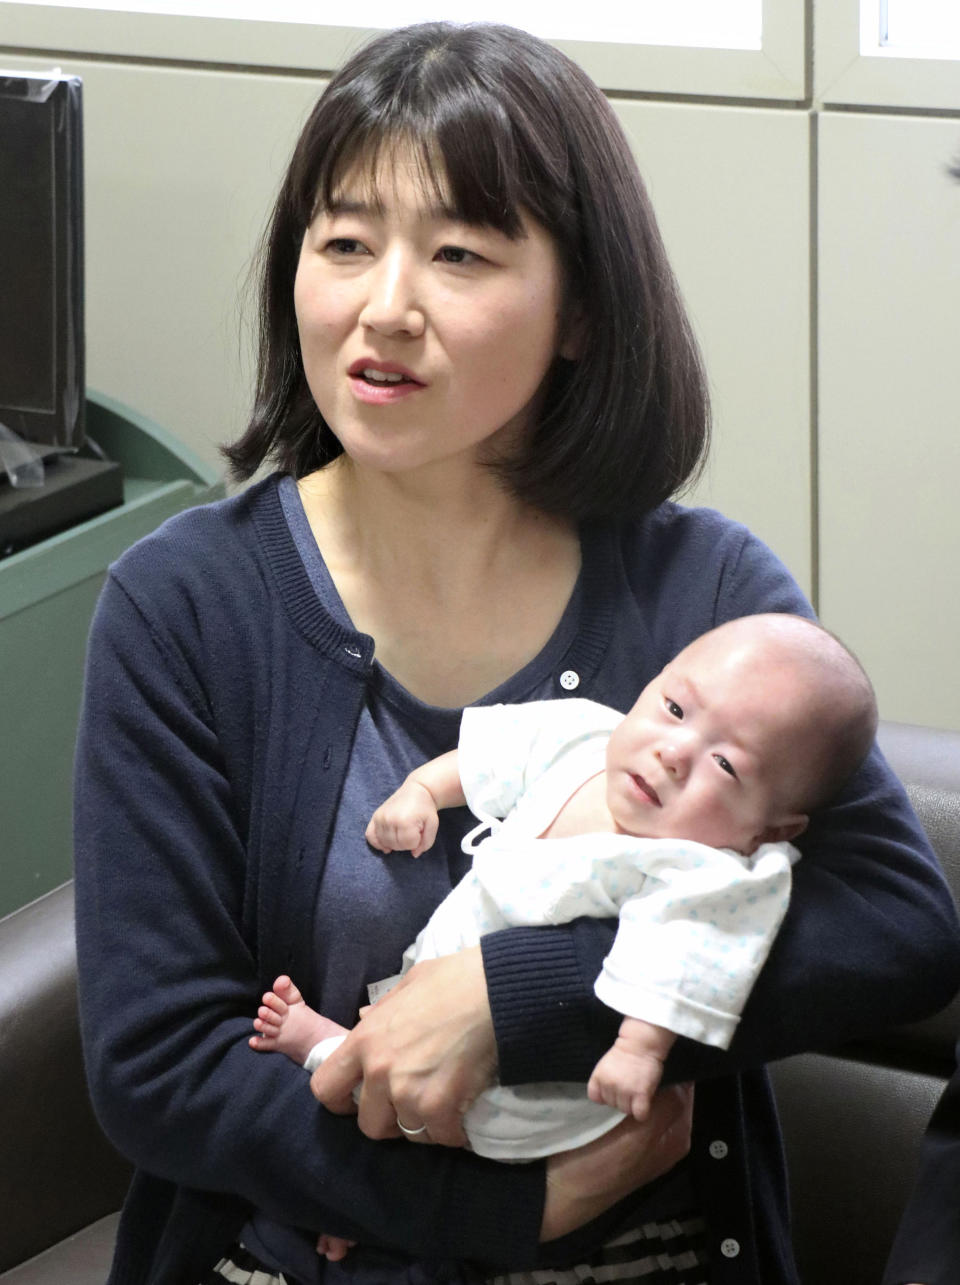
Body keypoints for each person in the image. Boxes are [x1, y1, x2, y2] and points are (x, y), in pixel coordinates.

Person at [71, 20, 960, 1285]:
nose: (385, 306)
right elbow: (157, 1064)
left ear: (582, 309)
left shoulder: (704, 589)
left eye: (459, 254)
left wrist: (515, 996)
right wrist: (497, 1212)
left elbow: (894, 924)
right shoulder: (185, 604)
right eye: (344, 243)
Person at [251, 613, 877, 1166]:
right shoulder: (586, 738)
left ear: (771, 828)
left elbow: (680, 963)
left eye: (727, 764)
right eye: (676, 710)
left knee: (436, 1121)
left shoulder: (702, 873)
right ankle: (357, 1195)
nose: (674, 752)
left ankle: (321, 1055)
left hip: (531, 1080)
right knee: (386, 1076)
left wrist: (637, 1050)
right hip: (429, 976)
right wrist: (420, 791)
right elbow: (488, 756)